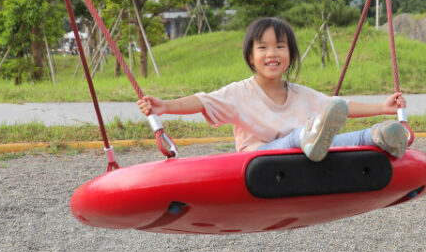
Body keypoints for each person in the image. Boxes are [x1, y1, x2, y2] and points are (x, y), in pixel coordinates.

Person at [136, 16, 409, 162]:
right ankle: (310, 137)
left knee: (329, 139)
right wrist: (165, 106)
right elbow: (202, 102)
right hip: (259, 160)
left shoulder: (301, 94)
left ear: (290, 53)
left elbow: (340, 107)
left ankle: (378, 136)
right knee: (306, 138)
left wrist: (381, 108)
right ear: (250, 55)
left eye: (280, 46)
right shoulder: (239, 93)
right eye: (263, 47)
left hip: (301, 154)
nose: (272, 54)